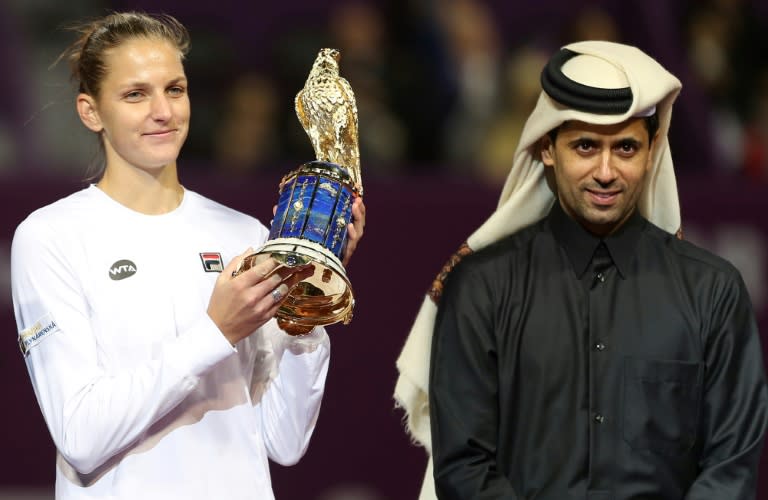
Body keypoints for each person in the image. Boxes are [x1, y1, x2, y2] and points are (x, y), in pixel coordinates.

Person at [11, 11, 365, 500]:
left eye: (174, 89)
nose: (164, 111)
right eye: (136, 94)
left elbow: (285, 440)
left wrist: (308, 297)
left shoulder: (244, 233)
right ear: (91, 111)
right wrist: (216, 332)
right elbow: (81, 436)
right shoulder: (51, 237)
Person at [394, 40, 768, 499]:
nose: (606, 171)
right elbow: (465, 468)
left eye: (626, 148)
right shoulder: (482, 288)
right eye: (586, 146)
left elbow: (730, 468)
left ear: (652, 153)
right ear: (548, 149)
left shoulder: (712, 291)